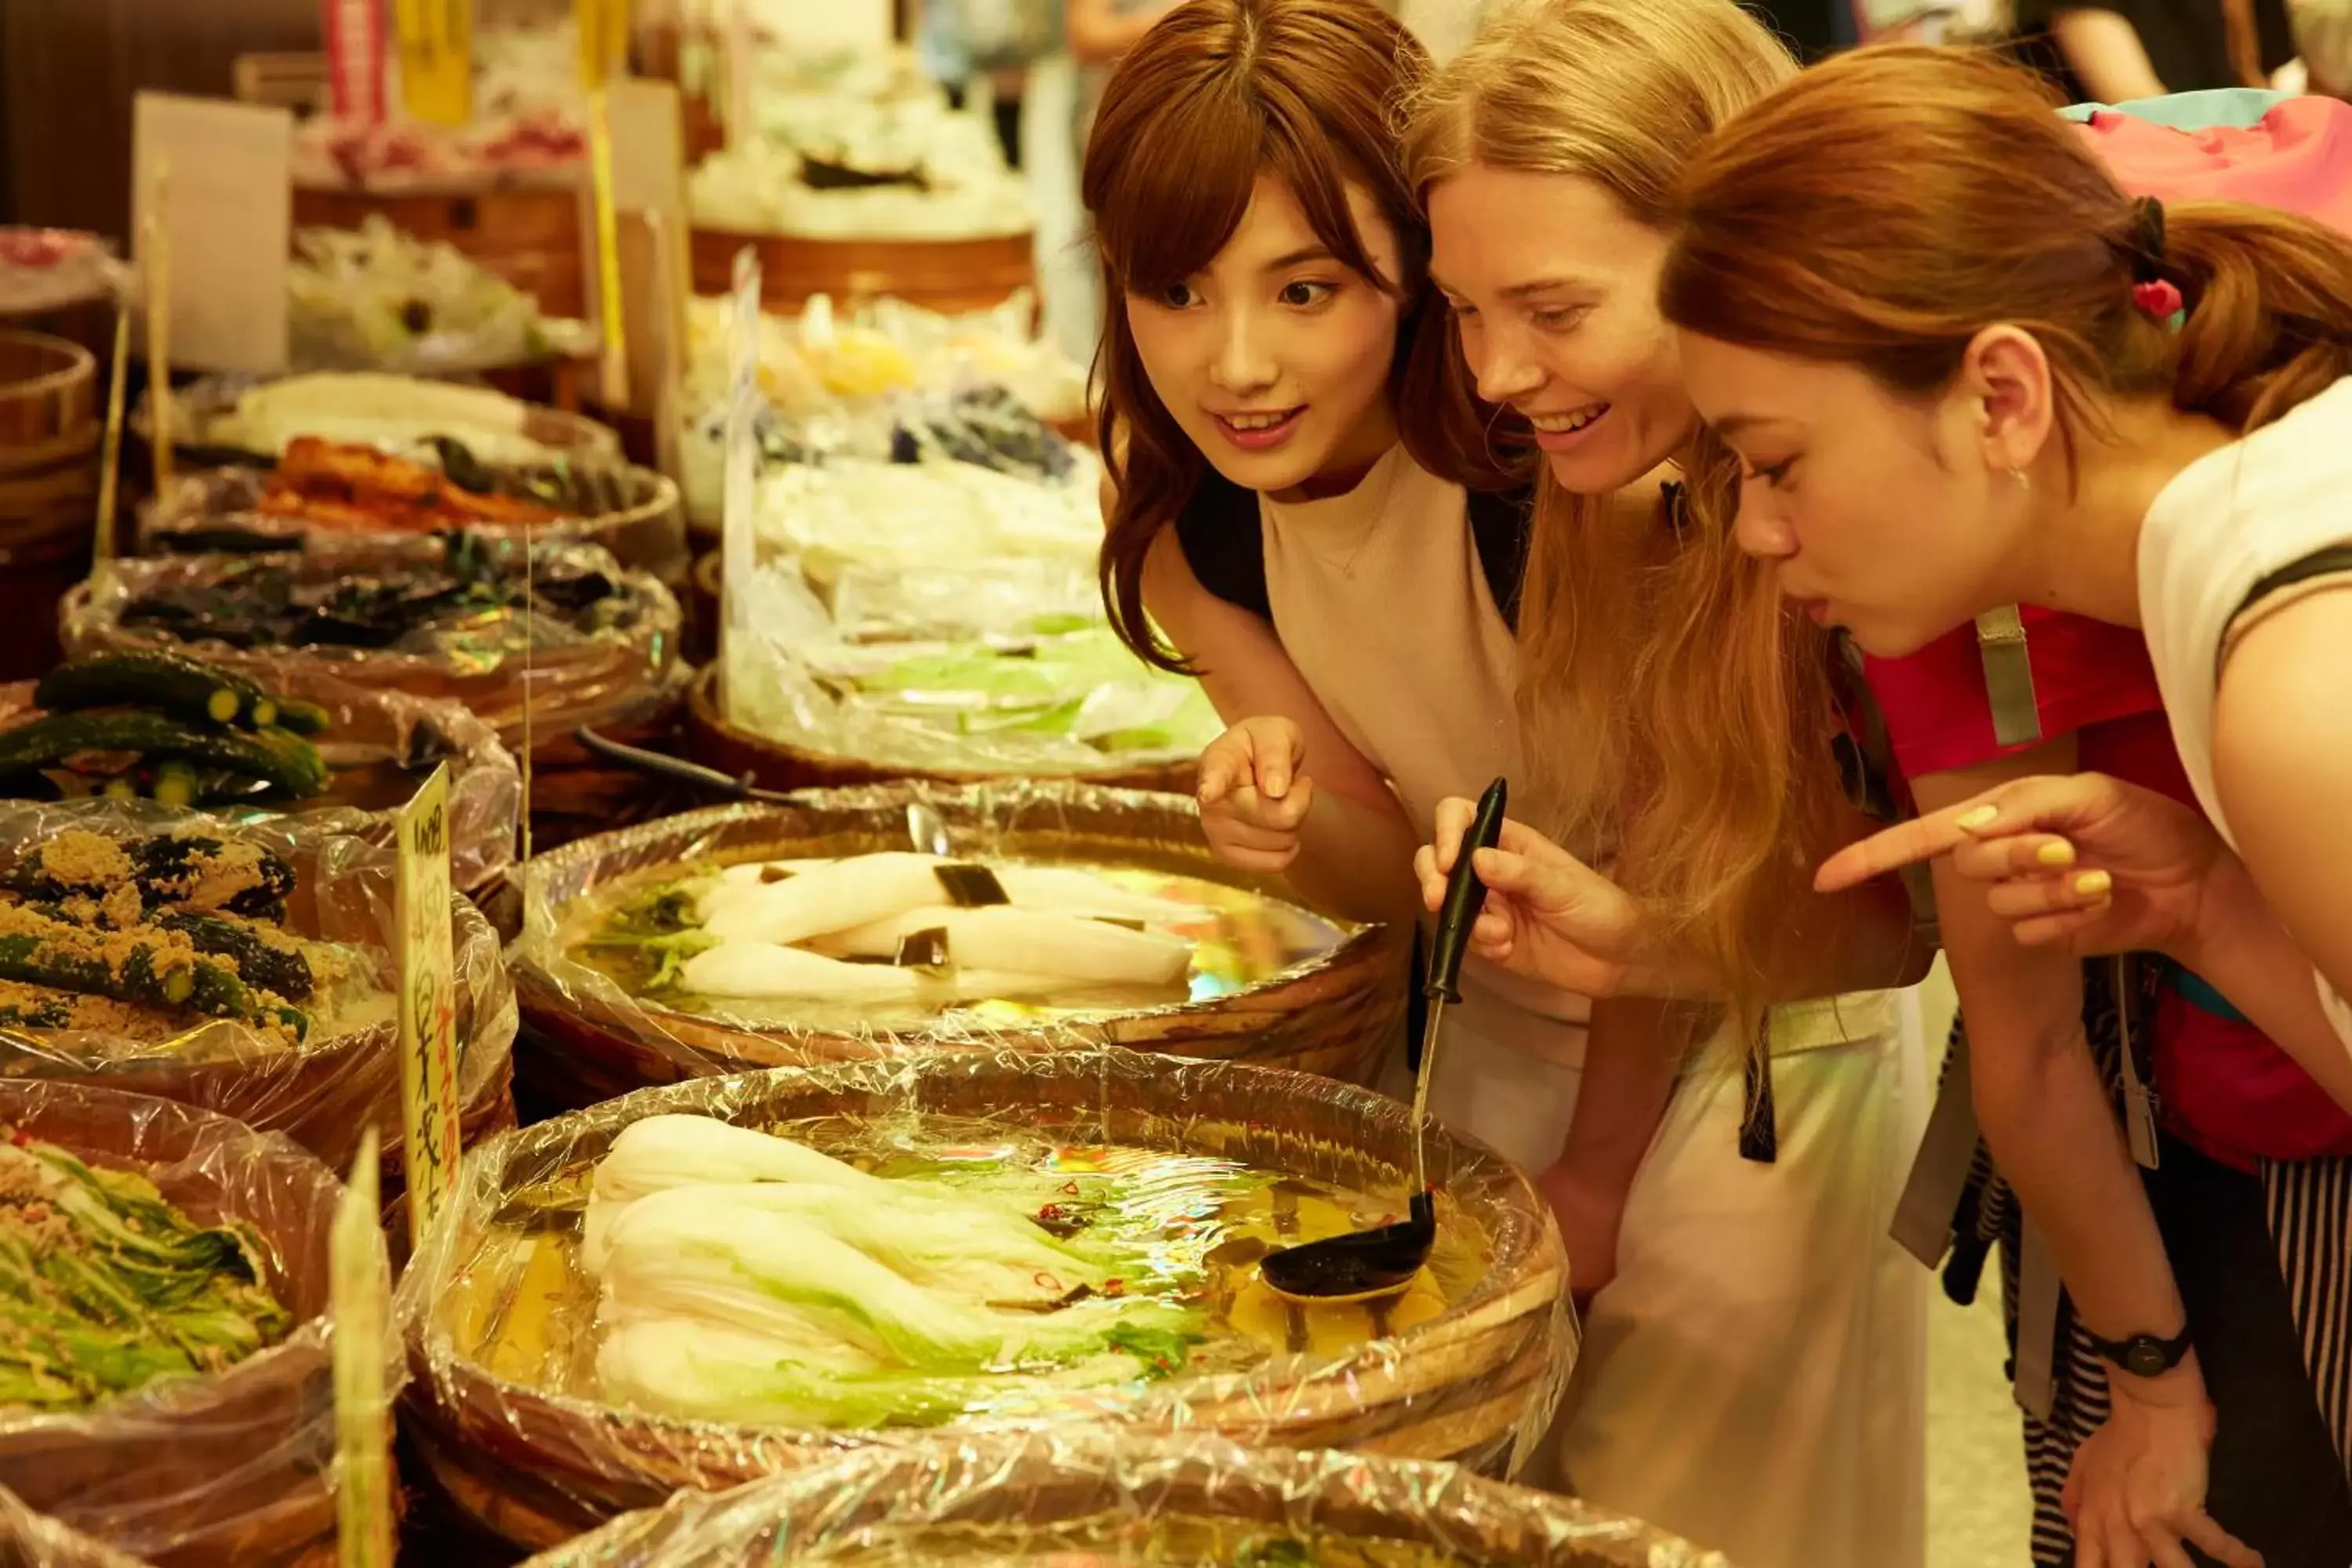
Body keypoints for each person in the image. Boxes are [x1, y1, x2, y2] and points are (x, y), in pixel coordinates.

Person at [1086, 2, 1929, 1564]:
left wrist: (1598, 1174)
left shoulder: (1562, 468)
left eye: (1309, 288)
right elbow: (1382, 864)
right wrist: (1273, 825)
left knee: (1698, 1514)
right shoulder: (1195, 532)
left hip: (1739, 1047)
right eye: (1176, 291)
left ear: (1402, 278)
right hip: (1493, 1044)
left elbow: (1700, 856)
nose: (1240, 358)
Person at [1653, 41, 2352, 1563]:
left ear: (2003, 392)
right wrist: (2206, 903)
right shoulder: (2233, 556)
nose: (1759, 534)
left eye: (1777, 464)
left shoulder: (2290, 665)